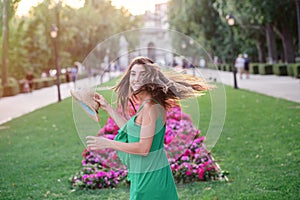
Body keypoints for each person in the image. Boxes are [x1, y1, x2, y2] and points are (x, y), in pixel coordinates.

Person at [86, 56, 210, 200]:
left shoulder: (151, 107)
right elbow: (133, 131)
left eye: (142, 74)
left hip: (151, 180)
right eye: (133, 74)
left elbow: (143, 148)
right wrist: (107, 107)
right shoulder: (146, 105)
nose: (136, 78)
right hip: (144, 176)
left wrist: (108, 143)